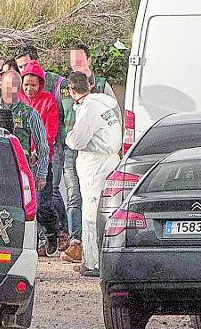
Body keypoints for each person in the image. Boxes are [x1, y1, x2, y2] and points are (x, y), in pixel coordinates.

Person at [65, 71, 122, 277]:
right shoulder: (104, 104)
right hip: (108, 160)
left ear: (72, 90)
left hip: (95, 164)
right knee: (106, 210)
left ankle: (93, 262)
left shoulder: (88, 107)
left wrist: (68, 138)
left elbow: (77, 140)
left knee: (91, 212)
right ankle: (101, 259)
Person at [16, 45, 69, 250]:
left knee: (43, 202)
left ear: (40, 84)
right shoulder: (18, 101)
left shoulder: (48, 102)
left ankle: (53, 231)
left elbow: (50, 130)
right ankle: (39, 239)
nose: (29, 89)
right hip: (22, 158)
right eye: (26, 84)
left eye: (33, 85)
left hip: (42, 160)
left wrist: (39, 149)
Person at [0, 70, 49, 188]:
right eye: (9, 85)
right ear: (0, 84)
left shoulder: (29, 113)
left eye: (15, 86)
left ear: (20, 87)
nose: (12, 89)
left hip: (20, 170)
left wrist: (41, 175)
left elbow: (42, 146)